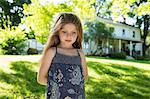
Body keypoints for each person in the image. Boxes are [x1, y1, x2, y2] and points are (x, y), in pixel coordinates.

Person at [37, 12, 88, 99]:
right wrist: (59, 86)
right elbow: (41, 78)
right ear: (58, 32)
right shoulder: (52, 52)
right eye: (64, 32)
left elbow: (85, 77)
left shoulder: (80, 54)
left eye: (73, 32)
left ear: (78, 34)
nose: (69, 36)